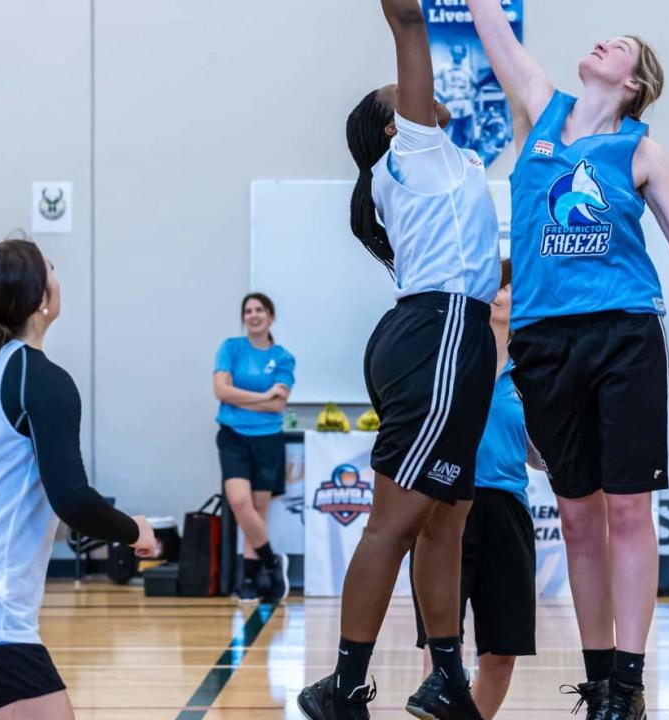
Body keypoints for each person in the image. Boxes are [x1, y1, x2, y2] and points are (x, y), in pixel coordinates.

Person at [465, 3, 669, 717]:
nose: (603, 42)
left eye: (619, 45)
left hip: (624, 335)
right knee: (576, 518)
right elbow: (495, 30)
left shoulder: (644, 153)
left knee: (627, 510)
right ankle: (600, 681)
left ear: (634, 81)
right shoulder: (540, 110)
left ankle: (628, 679)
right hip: (542, 339)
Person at [297, 1, 501, 718]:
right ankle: (344, 684)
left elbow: (483, 267)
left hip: (452, 332)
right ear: (396, 122)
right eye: (400, 93)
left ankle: (445, 677)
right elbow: (409, 24)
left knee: (445, 520)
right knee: (395, 519)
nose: (412, 88)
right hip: (439, 335)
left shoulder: (442, 166)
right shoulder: (409, 151)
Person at [0, 239, 156, 720]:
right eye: (52, 268)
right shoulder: (41, 379)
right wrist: (135, 530)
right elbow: (72, 500)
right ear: (42, 300)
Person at [410, 261, 539, 719]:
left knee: (502, 652)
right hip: (447, 506)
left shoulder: (532, 373)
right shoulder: (451, 359)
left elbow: (539, 456)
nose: (505, 294)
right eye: (499, 285)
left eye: (512, 286)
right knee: (441, 644)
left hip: (508, 511)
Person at [213, 292, 295, 603]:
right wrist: (263, 396)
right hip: (233, 436)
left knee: (259, 509)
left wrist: (240, 395)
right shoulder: (231, 348)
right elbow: (220, 390)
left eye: (260, 310)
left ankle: (249, 577)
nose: (253, 315)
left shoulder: (284, 357)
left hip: (268, 439)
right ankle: (273, 562)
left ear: (270, 316)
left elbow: (280, 406)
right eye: (248, 311)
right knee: (239, 502)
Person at [435, 44, 477, 148]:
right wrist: (441, 94)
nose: (458, 54)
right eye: (455, 52)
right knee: (450, 132)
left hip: (465, 104)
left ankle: (466, 153)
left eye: (460, 53)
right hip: (451, 103)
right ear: (452, 53)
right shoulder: (445, 68)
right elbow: (430, 80)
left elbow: (476, 86)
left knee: (466, 132)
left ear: (463, 55)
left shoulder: (467, 70)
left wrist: (471, 95)